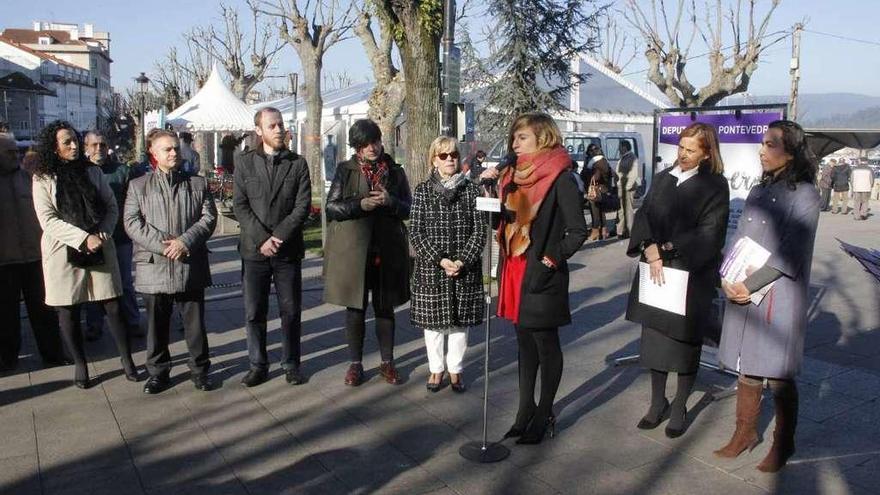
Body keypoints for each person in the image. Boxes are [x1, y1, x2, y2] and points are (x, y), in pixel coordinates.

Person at [715, 120, 821, 473]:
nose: (762, 150)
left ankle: (782, 442)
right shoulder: (759, 191)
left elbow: (792, 251)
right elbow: (740, 238)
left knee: (776, 371)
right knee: (747, 364)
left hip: (778, 293)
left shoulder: (805, 194)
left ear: (790, 150)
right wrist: (728, 277)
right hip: (743, 289)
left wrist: (752, 284)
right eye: (762, 143)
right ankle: (744, 433)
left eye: (770, 144)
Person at [481, 113, 588, 445]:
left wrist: (549, 260)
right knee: (524, 344)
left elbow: (577, 231)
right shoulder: (511, 175)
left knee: (544, 343)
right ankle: (524, 411)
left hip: (541, 271)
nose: (514, 143)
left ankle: (544, 414)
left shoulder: (561, 177)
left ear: (543, 138)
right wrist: (488, 191)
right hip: (514, 268)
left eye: (522, 137)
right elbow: (504, 220)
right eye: (514, 138)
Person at [624, 122, 729, 438]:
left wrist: (668, 248)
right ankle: (658, 402)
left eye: (691, 149)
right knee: (655, 338)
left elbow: (710, 233)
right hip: (656, 270)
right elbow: (644, 216)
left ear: (707, 153)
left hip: (689, 275)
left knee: (684, 343)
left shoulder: (715, 185)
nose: (682, 154)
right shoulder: (662, 179)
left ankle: (680, 404)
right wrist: (649, 247)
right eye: (681, 147)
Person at [31, 120, 139, 388]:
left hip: (100, 246)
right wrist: (82, 238)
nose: (73, 145)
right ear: (54, 147)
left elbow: (112, 206)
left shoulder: (92, 172)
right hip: (62, 251)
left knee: (112, 305)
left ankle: (127, 360)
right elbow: (48, 220)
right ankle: (81, 365)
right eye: (66, 142)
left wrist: (102, 232)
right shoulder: (43, 177)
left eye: (75, 140)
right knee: (67, 310)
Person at [124, 130, 218, 393]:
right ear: (154, 153)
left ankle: (200, 370)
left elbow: (208, 218)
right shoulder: (138, 185)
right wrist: (165, 246)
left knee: (195, 324)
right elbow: (132, 223)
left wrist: (185, 242)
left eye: (176, 148)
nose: (174, 153)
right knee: (156, 324)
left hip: (190, 262)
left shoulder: (197, 184)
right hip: (155, 264)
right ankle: (158, 372)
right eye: (167, 149)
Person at [324, 119, 411, 387]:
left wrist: (390, 201)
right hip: (354, 250)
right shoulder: (345, 170)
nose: (372, 148)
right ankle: (355, 364)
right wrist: (361, 204)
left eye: (374, 141)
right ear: (357, 148)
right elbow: (332, 208)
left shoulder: (395, 171)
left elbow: (408, 208)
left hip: (386, 249)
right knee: (356, 308)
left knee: (385, 307)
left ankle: (387, 362)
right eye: (364, 144)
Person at [233, 108, 312, 387]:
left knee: (290, 310)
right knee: (254, 312)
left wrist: (277, 237)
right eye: (272, 125)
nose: (279, 129)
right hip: (254, 251)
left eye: (281, 124)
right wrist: (261, 239)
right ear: (259, 130)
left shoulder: (298, 163)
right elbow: (240, 206)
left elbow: (302, 207)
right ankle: (258, 364)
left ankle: (291, 362)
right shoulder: (244, 163)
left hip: (287, 250)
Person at [410, 136, 486, 393]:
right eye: (444, 155)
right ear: (434, 160)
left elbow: (479, 231)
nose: (450, 159)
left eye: (453, 154)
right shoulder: (422, 190)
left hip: (464, 268)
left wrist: (463, 260)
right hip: (433, 268)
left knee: (458, 324)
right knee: (433, 326)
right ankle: (436, 369)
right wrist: (441, 260)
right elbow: (416, 233)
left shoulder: (472, 190)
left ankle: (455, 370)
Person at [0, 133, 69, 370]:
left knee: (44, 311)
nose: (16, 156)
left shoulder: (29, 179)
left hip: (35, 259)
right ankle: (7, 359)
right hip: (4, 263)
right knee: (6, 315)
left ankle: (53, 354)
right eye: (10, 152)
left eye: (17, 152)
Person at [82, 130, 143, 341]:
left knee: (125, 282)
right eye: (94, 145)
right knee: (93, 284)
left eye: (102, 144)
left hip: (119, 236)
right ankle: (94, 325)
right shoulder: (80, 171)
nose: (99, 149)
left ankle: (133, 322)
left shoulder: (121, 171)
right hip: (90, 237)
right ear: (86, 148)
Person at [581, 144, 612, 240]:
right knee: (601, 211)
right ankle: (604, 231)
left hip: (594, 190)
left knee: (595, 211)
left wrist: (586, 172)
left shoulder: (595, 163)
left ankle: (595, 232)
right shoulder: (605, 161)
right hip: (603, 189)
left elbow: (594, 177)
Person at [616, 140, 639, 239]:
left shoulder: (631, 158)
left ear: (624, 147)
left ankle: (629, 231)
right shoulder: (624, 157)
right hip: (622, 187)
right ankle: (621, 230)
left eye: (620, 147)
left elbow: (633, 174)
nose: (619, 149)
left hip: (627, 188)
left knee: (628, 210)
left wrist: (627, 187)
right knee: (622, 210)